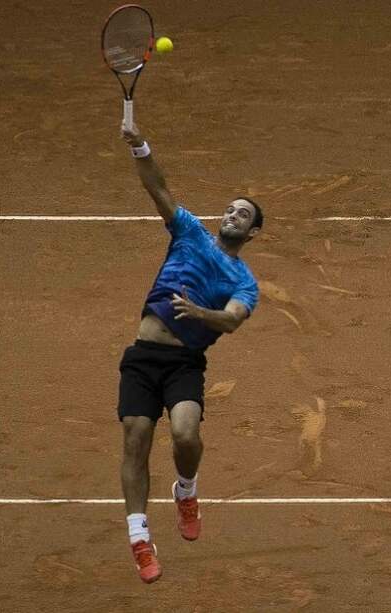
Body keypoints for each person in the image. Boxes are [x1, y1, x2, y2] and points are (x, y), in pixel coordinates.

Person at [117, 123, 262, 582]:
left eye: (243, 214)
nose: (233, 214)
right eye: (230, 209)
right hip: (143, 356)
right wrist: (139, 144)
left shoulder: (244, 281)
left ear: (254, 231)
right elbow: (155, 184)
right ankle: (140, 538)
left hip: (184, 363)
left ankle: (186, 490)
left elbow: (234, 319)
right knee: (136, 440)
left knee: (184, 435)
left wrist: (198, 311)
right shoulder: (189, 232)